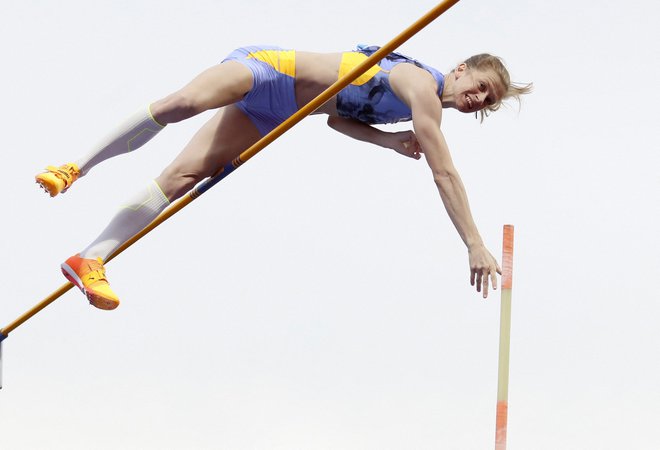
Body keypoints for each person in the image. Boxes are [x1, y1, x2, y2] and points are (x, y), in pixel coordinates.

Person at [35, 44, 531, 310]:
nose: (480, 100)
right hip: (269, 71)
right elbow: (444, 171)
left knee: (182, 177)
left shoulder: (412, 108)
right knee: (181, 104)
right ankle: (74, 166)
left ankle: (89, 258)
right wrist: (473, 242)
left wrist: (387, 141)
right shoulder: (422, 86)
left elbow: (338, 117)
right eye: (482, 87)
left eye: (489, 101)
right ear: (462, 69)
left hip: (276, 113)